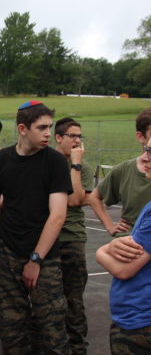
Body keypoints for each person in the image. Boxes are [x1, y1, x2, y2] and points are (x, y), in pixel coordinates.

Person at [0, 100, 72, 355]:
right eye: (42, 127)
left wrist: (36, 259)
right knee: (12, 329)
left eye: (49, 127)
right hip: (7, 254)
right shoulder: (2, 159)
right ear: (22, 129)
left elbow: (57, 216)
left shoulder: (55, 162)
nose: (48, 133)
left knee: (51, 329)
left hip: (44, 257)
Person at [95, 142, 151, 354]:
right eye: (146, 149)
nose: (144, 157)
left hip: (140, 322)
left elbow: (124, 269)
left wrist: (103, 251)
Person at [54, 117, 93, 355]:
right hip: (46, 238)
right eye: (72, 136)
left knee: (74, 300)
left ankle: (77, 347)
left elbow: (76, 200)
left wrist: (75, 165)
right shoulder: (47, 162)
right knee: (46, 300)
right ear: (59, 138)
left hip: (71, 238)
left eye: (80, 136)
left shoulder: (82, 167)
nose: (77, 141)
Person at [89, 107, 151, 237]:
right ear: (140, 136)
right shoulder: (125, 169)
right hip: (129, 242)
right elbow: (94, 197)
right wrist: (110, 227)